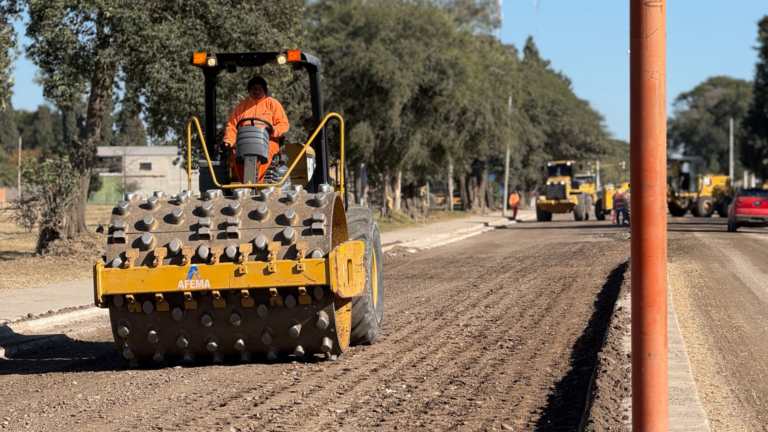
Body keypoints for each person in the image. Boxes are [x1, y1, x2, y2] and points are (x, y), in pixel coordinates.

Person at [221, 77, 289, 183]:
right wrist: (228, 141)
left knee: (268, 150)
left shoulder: (273, 104)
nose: (256, 91)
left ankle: (258, 183)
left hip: (267, 140)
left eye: (260, 88)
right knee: (234, 152)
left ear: (264, 90)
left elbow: (283, 124)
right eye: (253, 88)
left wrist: (273, 130)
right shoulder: (240, 107)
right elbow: (231, 128)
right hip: (245, 141)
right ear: (249, 90)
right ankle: (245, 184)